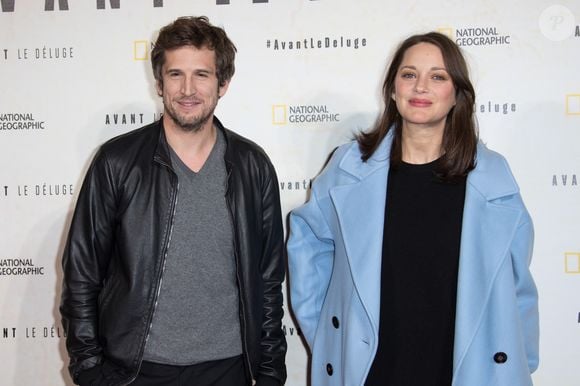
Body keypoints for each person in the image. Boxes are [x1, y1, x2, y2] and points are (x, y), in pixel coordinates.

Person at [287, 32, 539, 386]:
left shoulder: (493, 178)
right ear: (393, 89)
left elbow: (517, 284)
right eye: (409, 75)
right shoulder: (347, 170)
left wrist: (520, 360)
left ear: (457, 96)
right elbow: (307, 247)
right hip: (371, 372)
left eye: (438, 76)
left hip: (464, 372)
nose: (421, 87)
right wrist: (333, 339)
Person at [60, 16, 287, 386]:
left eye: (202, 74)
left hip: (228, 369)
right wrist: (89, 370)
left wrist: (270, 372)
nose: (188, 89)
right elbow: (81, 275)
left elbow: (268, 281)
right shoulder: (118, 162)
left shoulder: (252, 167)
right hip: (135, 370)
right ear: (159, 83)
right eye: (175, 74)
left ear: (223, 83)